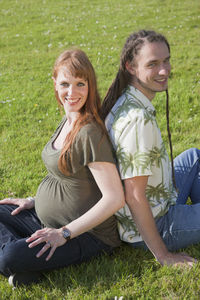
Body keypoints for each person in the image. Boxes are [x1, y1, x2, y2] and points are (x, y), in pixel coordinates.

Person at [0, 49, 125, 287]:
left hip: (87, 236)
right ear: (55, 84)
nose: (72, 92)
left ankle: (21, 258)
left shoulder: (88, 131)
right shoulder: (68, 119)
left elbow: (115, 198)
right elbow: (70, 179)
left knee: (9, 257)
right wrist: (33, 200)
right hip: (44, 221)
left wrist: (63, 233)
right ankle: (28, 263)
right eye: (65, 84)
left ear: (90, 85)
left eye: (80, 84)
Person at [101, 29, 200, 267]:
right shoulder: (137, 120)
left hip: (163, 195)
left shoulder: (127, 97)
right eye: (153, 64)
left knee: (194, 156)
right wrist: (164, 255)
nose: (164, 70)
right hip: (157, 224)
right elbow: (134, 196)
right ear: (131, 67)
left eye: (166, 60)